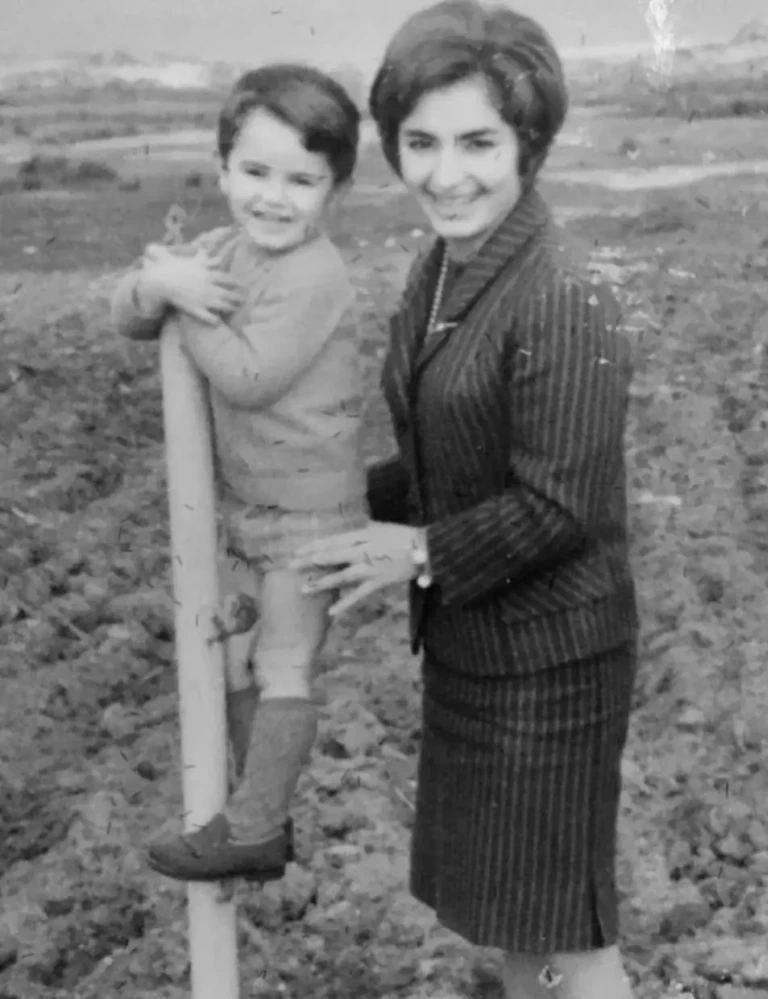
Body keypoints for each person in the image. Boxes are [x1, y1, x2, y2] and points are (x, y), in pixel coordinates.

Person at [288, 2, 640, 997]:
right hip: (477, 651)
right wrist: (318, 504)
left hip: (551, 664)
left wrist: (407, 552)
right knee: (520, 934)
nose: (447, 174)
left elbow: (558, 502)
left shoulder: (562, 287)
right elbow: (441, 455)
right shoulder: (441, 266)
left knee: (565, 944)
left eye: (478, 142)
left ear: (527, 141)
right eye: (421, 142)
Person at [110, 63, 366, 882]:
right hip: (248, 510)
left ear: (335, 191)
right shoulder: (223, 248)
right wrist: (155, 281)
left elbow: (249, 375)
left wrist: (183, 303)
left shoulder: (315, 273)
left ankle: (256, 827)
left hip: (312, 513)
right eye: (255, 172)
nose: (274, 197)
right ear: (223, 171)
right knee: (232, 663)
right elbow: (129, 316)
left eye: (302, 179)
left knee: (284, 661)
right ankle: (259, 815)